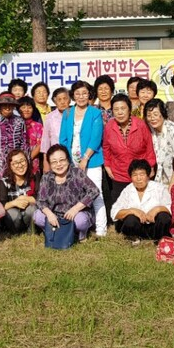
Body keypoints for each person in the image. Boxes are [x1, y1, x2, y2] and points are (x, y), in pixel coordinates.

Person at [59, 80, 106, 236]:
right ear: (73, 95)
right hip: (71, 162)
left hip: (91, 161)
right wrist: (67, 161)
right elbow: (63, 139)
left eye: (84, 93)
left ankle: (101, 230)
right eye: (77, 93)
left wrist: (85, 158)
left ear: (89, 94)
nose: (81, 97)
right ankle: (81, 230)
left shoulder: (95, 113)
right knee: (76, 196)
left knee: (96, 194)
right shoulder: (67, 113)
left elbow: (96, 137)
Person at [102, 93, 157, 219]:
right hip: (119, 172)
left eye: (123, 108)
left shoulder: (141, 125)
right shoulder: (110, 126)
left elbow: (149, 146)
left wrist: (151, 165)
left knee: (142, 204)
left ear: (129, 109)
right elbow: (106, 147)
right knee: (121, 209)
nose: (120, 112)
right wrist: (108, 165)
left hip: (139, 172)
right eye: (116, 109)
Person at [34, 144, 100, 243]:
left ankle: (80, 236)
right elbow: (41, 201)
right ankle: (51, 231)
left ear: (68, 160)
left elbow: (94, 191)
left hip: (76, 214)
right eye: (54, 162)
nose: (58, 164)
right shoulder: (46, 177)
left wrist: (76, 208)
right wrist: (49, 214)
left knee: (81, 221)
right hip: (55, 215)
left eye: (62, 160)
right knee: (37, 216)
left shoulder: (77, 173)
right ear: (50, 164)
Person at [110, 159, 171, 244]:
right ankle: (134, 240)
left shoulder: (159, 188)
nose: (138, 178)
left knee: (164, 216)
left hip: (154, 227)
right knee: (130, 218)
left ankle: (159, 240)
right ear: (131, 177)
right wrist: (132, 211)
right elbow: (114, 212)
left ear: (148, 175)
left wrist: (158, 209)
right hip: (137, 228)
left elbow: (171, 208)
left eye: (142, 174)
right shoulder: (128, 190)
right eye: (135, 175)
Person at [0, 92, 27, 188]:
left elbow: (24, 143)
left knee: (16, 190)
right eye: (4, 105)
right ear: (0, 107)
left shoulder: (20, 121)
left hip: (16, 162)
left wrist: (25, 161)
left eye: (10, 105)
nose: (7, 108)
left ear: (14, 107)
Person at [0, 149, 39, 233]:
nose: (20, 165)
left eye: (22, 161)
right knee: (12, 213)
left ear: (27, 161)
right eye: (15, 163)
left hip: (28, 214)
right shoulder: (4, 182)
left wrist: (25, 198)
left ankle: (32, 231)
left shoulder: (34, 176)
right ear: (10, 166)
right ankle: (15, 232)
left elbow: (41, 198)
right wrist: (14, 203)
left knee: (32, 209)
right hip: (14, 217)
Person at [144, 98, 174, 187]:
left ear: (163, 114)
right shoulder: (149, 129)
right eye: (149, 115)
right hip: (158, 178)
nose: (152, 118)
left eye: (155, 114)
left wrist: (172, 185)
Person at [41, 87, 71, 172]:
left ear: (69, 100)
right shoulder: (50, 117)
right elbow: (45, 141)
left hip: (73, 156)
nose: (62, 102)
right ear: (55, 102)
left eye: (65, 99)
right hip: (56, 158)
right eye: (59, 99)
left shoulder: (75, 114)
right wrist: (46, 163)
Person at [18, 95, 43, 174]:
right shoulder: (14, 125)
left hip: (33, 163)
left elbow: (40, 145)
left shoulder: (38, 126)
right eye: (23, 107)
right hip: (17, 164)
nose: (26, 110)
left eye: (29, 107)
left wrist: (28, 158)